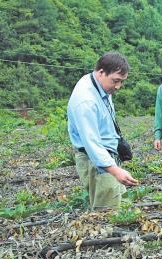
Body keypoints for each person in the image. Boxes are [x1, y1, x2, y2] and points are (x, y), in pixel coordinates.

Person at [67, 52, 138, 209]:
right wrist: (115, 171)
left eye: (121, 81)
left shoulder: (100, 85)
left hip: (107, 157)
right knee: (107, 212)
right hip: (97, 162)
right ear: (101, 72)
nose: (118, 86)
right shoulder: (86, 101)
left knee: (122, 206)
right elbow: (92, 144)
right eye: (116, 81)